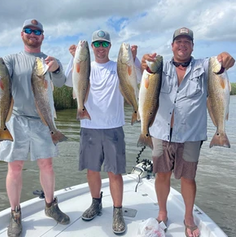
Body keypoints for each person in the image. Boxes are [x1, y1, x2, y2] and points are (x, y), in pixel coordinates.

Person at [141, 27, 235, 237]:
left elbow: (225, 61)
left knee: (188, 178)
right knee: (161, 175)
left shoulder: (205, 66)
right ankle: (163, 212)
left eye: (187, 42)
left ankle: (189, 217)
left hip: (191, 134)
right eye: (178, 41)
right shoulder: (160, 66)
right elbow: (142, 74)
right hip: (160, 132)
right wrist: (143, 60)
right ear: (172, 45)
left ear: (192, 46)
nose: (182, 45)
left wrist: (228, 58)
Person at [0, 19, 70, 237]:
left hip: (43, 120)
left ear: (43, 36)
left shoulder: (50, 61)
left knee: (47, 165)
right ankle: (15, 213)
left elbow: (61, 82)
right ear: (22, 34)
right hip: (15, 120)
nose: (33, 34)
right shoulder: (9, 60)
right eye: (29, 30)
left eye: (37, 31)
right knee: (14, 167)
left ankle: (50, 205)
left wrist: (57, 67)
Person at [65, 30, 141, 234]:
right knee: (92, 171)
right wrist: (73, 59)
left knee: (114, 172)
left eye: (104, 44)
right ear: (91, 47)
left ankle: (117, 211)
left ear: (110, 46)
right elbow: (66, 81)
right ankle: (96, 203)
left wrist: (134, 59)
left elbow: (139, 76)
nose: (100, 47)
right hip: (88, 127)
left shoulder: (119, 67)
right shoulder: (82, 66)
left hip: (113, 127)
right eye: (97, 44)